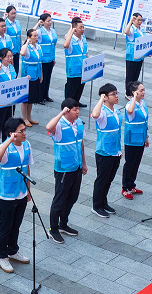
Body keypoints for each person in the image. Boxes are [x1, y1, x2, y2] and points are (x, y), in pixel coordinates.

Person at [0, 118, 32, 274]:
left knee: (16, 224)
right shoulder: (6, 149)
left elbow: (27, 167)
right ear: (12, 133)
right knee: (5, 226)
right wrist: (9, 140)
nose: (24, 133)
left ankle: (13, 250)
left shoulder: (27, 145)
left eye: (24, 130)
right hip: (7, 194)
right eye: (21, 131)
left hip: (21, 191)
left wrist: (28, 190)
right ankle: (2, 256)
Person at [45, 99, 86, 244]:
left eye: (78, 109)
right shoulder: (59, 125)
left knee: (72, 197)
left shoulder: (79, 123)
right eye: (75, 110)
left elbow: (81, 143)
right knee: (60, 199)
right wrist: (61, 113)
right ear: (67, 111)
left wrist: (84, 163)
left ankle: (63, 224)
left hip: (77, 166)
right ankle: (53, 228)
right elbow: (48, 127)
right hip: (63, 168)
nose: (78, 112)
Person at [90, 83, 121, 218]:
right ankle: (96, 206)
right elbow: (95, 115)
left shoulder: (116, 110)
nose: (116, 96)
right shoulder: (102, 112)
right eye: (113, 94)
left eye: (116, 93)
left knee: (109, 179)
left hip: (115, 151)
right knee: (102, 179)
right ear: (105, 97)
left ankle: (104, 202)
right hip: (104, 152)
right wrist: (101, 100)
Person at [121, 81, 148, 200]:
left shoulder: (143, 103)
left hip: (141, 137)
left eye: (143, 90)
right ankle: (125, 187)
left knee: (136, 162)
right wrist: (133, 98)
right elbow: (130, 111)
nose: (143, 92)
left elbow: (145, 122)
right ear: (134, 92)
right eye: (141, 90)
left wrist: (146, 137)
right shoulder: (130, 105)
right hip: (132, 139)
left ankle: (132, 184)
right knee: (130, 163)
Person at [0, 48, 18, 145]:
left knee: (8, 122)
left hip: (10, 99)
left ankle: (6, 141)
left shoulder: (11, 67)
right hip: (0, 101)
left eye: (11, 56)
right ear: (1, 58)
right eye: (8, 57)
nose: (10, 59)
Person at [62, 18, 88, 105]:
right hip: (73, 70)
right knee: (71, 89)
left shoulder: (83, 39)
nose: (82, 29)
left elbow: (86, 53)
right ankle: (68, 105)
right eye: (80, 27)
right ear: (75, 29)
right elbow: (65, 45)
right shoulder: (71, 40)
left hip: (82, 69)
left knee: (80, 88)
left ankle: (76, 103)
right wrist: (71, 31)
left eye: (83, 27)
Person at [36, 13, 58, 103]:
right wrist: (38, 24)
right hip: (43, 58)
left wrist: (54, 58)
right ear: (43, 22)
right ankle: (39, 97)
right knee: (42, 78)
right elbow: (31, 34)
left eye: (50, 20)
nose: (50, 22)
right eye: (48, 21)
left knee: (48, 77)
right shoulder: (39, 31)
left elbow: (54, 45)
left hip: (51, 57)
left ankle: (46, 95)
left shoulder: (53, 31)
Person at [123, 13, 146, 89]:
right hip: (132, 56)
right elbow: (126, 32)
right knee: (130, 77)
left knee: (136, 76)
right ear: (134, 20)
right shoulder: (132, 29)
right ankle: (128, 92)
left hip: (140, 57)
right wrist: (130, 21)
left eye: (141, 20)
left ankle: (134, 91)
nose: (140, 22)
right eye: (138, 20)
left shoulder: (141, 30)